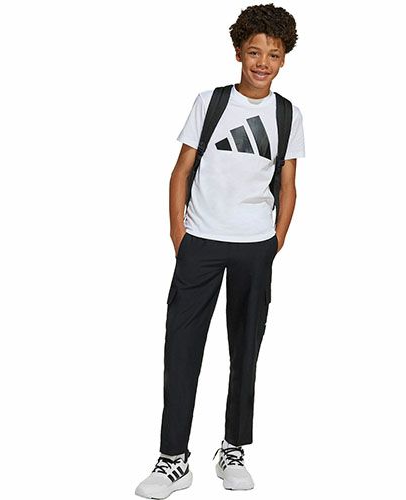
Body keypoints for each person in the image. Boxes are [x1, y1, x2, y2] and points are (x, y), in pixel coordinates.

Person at [135, 3, 305, 498]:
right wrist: (179, 234)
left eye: (273, 54)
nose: (263, 62)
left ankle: (233, 449)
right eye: (254, 52)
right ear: (238, 52)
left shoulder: (288, 115)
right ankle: (173, 459)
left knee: (245, 350)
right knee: (181, 348)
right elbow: (181, 170)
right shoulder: (210, 102)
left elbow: (288, 184)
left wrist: (276, 239)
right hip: (201, 242)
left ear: (284, 59)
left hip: (255, 245)